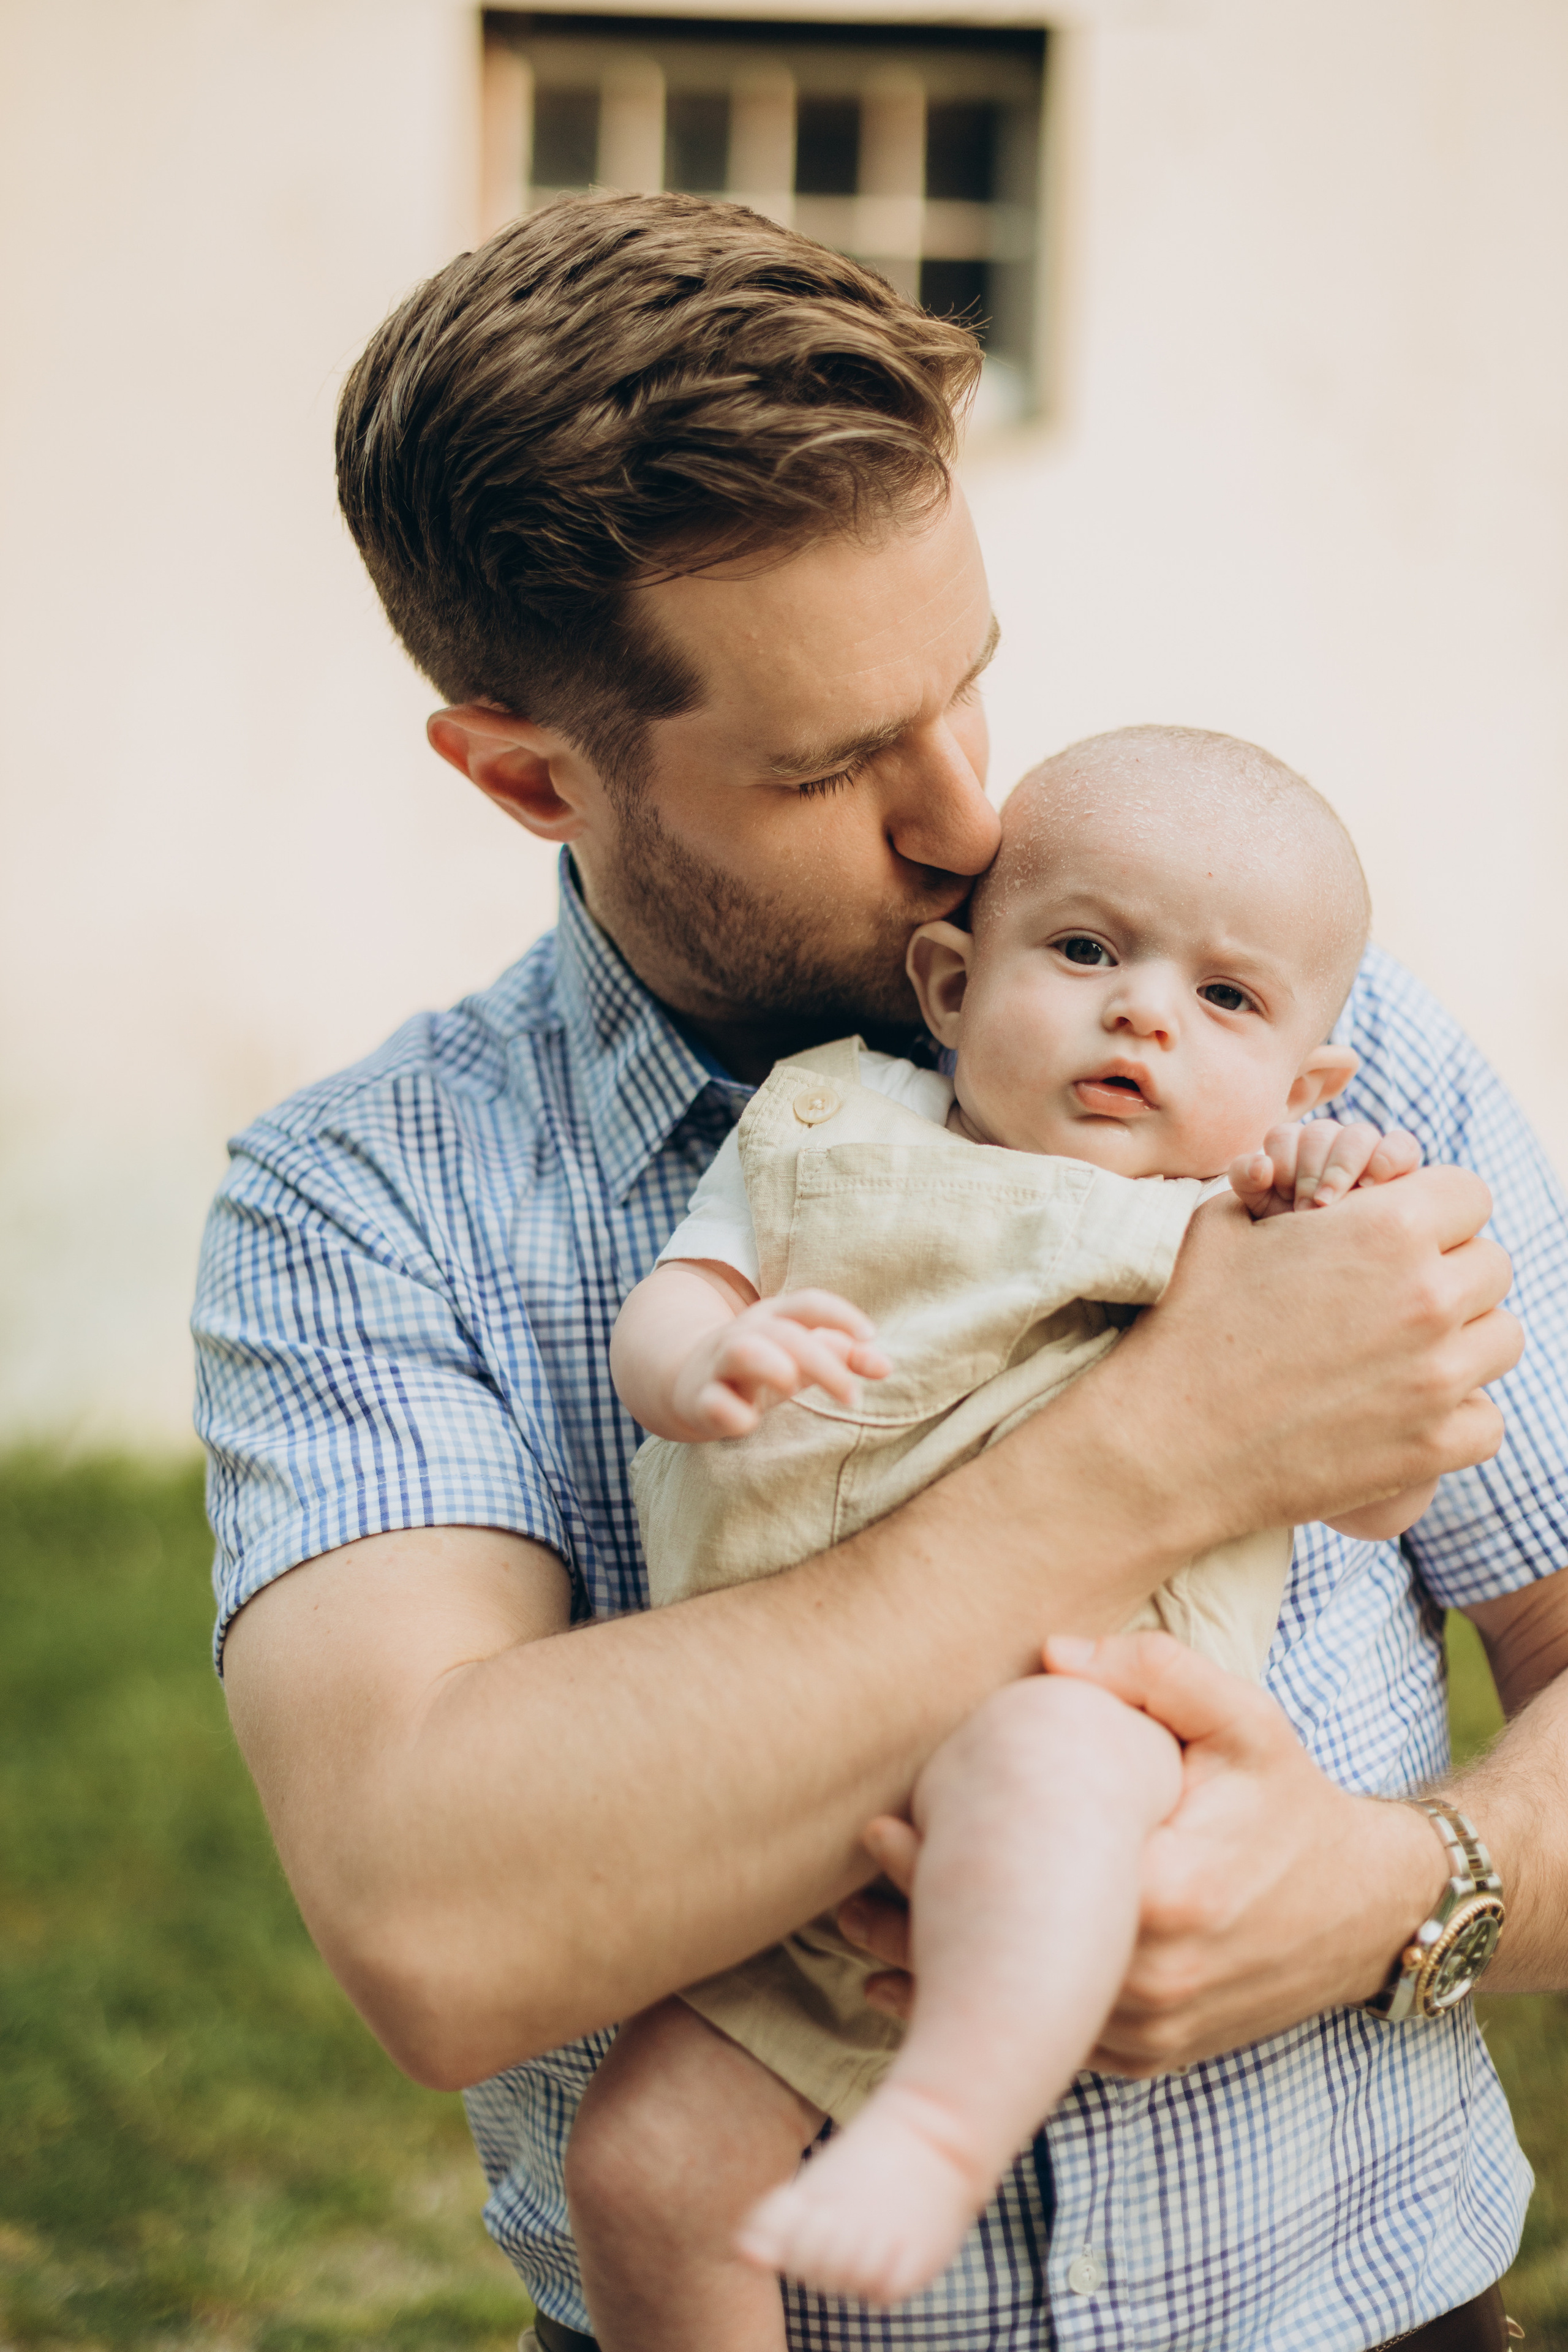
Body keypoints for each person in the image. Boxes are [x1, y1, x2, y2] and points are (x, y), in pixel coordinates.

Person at [190, 194, 1568, 2352]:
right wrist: (1174, 1442)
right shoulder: (370, 1204)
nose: (967, 821)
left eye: (969, 687)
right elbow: (440, 1928)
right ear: (527, 774)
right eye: (835, 763)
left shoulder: (1301, 1046)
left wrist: (1400, 1890)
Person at [567, 731, 1434, 2342]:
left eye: (1225, 999)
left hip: (1074, 1718)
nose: (1145, 1013)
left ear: (1304, 1093)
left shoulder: (1246, 1233)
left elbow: (1381, 1493)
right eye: (1088, 951)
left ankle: (942, 2130)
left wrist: (1338, 1230)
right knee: (644, 2172)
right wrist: (703, 1361)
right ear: (953, 988)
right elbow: (688, 1289)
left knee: (1047, 1770)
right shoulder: (829, 1125)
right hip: (756, 1775)